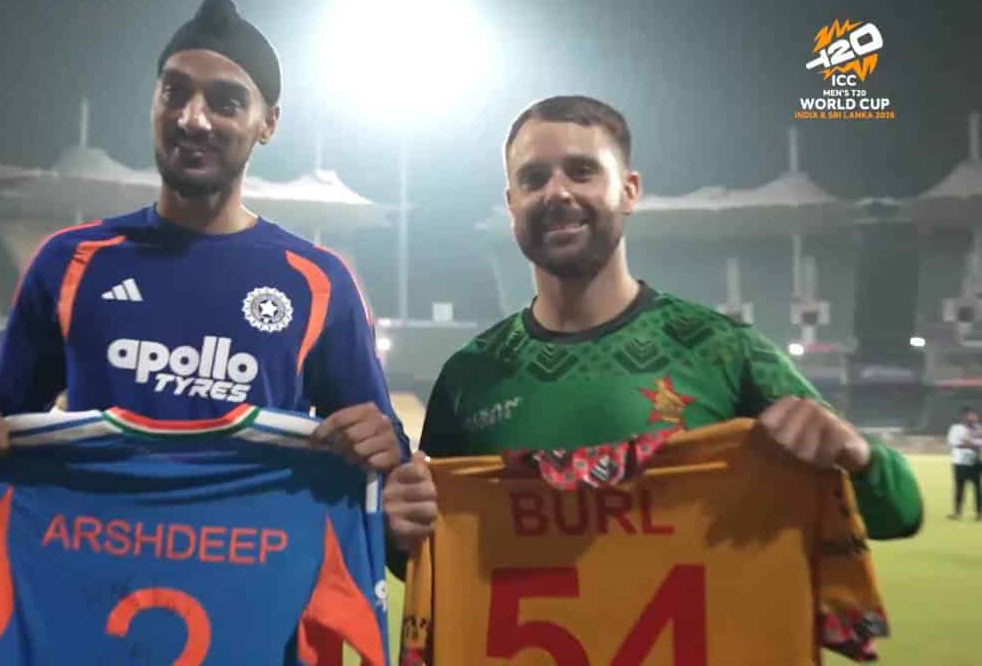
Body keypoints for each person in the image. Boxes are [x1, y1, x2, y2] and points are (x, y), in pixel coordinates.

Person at [383, 95, 924, 565]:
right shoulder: (470, 376)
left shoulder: (722, 349)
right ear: (511, 205)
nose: (557, 192)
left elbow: (899, 512)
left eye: (582, 171)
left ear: (629, 190)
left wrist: (857, 454)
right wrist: (397, 532)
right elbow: (430, 556)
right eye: (533, 179)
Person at [0, 0, 405, 489]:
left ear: (268, 123)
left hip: (255, 540)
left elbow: (383, 444)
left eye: (225, 103)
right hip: (98, 537)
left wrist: (388, 453)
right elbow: (2, 420)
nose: (192, 119)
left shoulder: (318, 282)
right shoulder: (70, 262)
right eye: (174, 93)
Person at [947, 405, 982, 520]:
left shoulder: (979, 429)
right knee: (959, 487)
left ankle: (979, 513)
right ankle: (957, 512)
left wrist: (970, 443)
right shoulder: (956, 428)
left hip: (975, 462)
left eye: (974, 415)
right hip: (960, 462)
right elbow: (953, 442)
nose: (973, 418)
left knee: (977, 488)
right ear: (964, 417)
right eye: (970, 415)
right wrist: (972, 444)